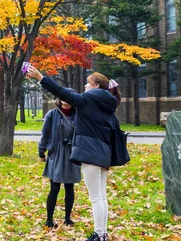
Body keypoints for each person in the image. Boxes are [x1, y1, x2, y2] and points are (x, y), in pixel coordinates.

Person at [27, 66, 121, 241]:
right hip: (103, 155)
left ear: (97, 86)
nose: (85, 86)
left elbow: (62, 93)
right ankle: (102, 233)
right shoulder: (107, 104)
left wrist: (41, 77)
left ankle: (100, 235)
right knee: (101, 196)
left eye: (88, 83)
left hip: (91, 155)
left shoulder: (89, 101)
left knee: (96, 198)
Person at [38, 91, 81, 228]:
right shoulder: (52, 115)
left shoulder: (78, 116)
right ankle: (49, 219)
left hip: (71, 154)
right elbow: (44, 135)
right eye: (63, 97)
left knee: (69, 187)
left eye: (68, 97)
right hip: (56, 154)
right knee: (54, 188)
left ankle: (67, 218)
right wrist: (41, 152)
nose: (65, 100)